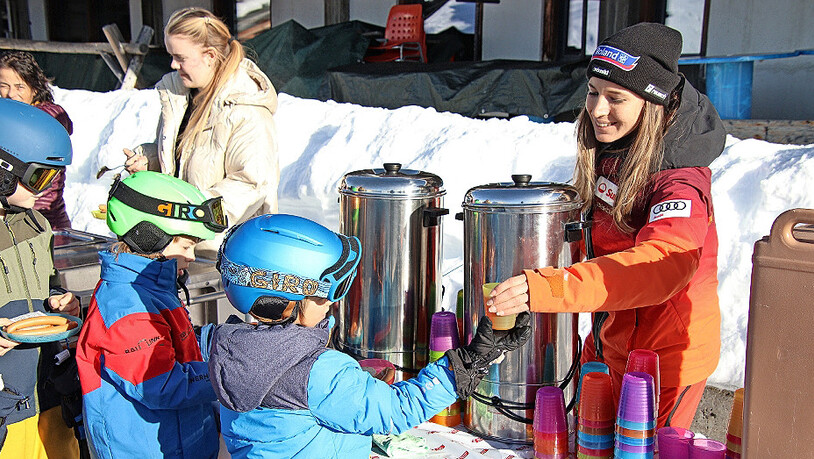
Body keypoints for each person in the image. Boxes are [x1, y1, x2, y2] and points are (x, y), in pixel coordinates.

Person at [487, 23, 725, 429]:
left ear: (653, 104)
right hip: (609, 343)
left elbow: (660, 264)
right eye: (593, 92)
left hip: (665, 360)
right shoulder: (615, 150)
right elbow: (597, 243)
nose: (597, 109)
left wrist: (550, 288)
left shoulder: (681, 180)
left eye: (615, 97)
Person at [208, 214, 531, 458]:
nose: (333, 302)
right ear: (284, 300)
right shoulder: (318, 371)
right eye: (326, 294)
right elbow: (395, 410)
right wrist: (470, 360)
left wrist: (350, 379)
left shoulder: (223, 349)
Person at [75, 171, 227, 458]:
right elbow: (163, 384)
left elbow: (180, 347)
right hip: (146, 449)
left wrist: (228, 339)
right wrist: (228, 376)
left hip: (182, 440)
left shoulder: (154, 289)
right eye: (186, 245)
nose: (192, 256)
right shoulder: (127, 307)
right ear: (150, 238)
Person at [124, 7, 279, 259]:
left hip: (223, 255)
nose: (173, 65)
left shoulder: (247, 111)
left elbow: (251, 183)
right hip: (179, 246)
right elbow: (185, 159)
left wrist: (190, 214)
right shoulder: (182, 97)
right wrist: (149, 160)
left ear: (209, 56)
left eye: (180, 57)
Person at [0, 98, 80, 458]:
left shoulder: (36, 224)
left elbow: (47, 283)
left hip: (49, 392)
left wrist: (61, 299)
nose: (45, 188)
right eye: (38, 176)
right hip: (7, 403)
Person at [0, 51, 73, 230]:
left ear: (34, 88)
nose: (11, 94)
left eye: (20, 87)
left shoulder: (49, 117)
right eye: (3, 85)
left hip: (45, 219)